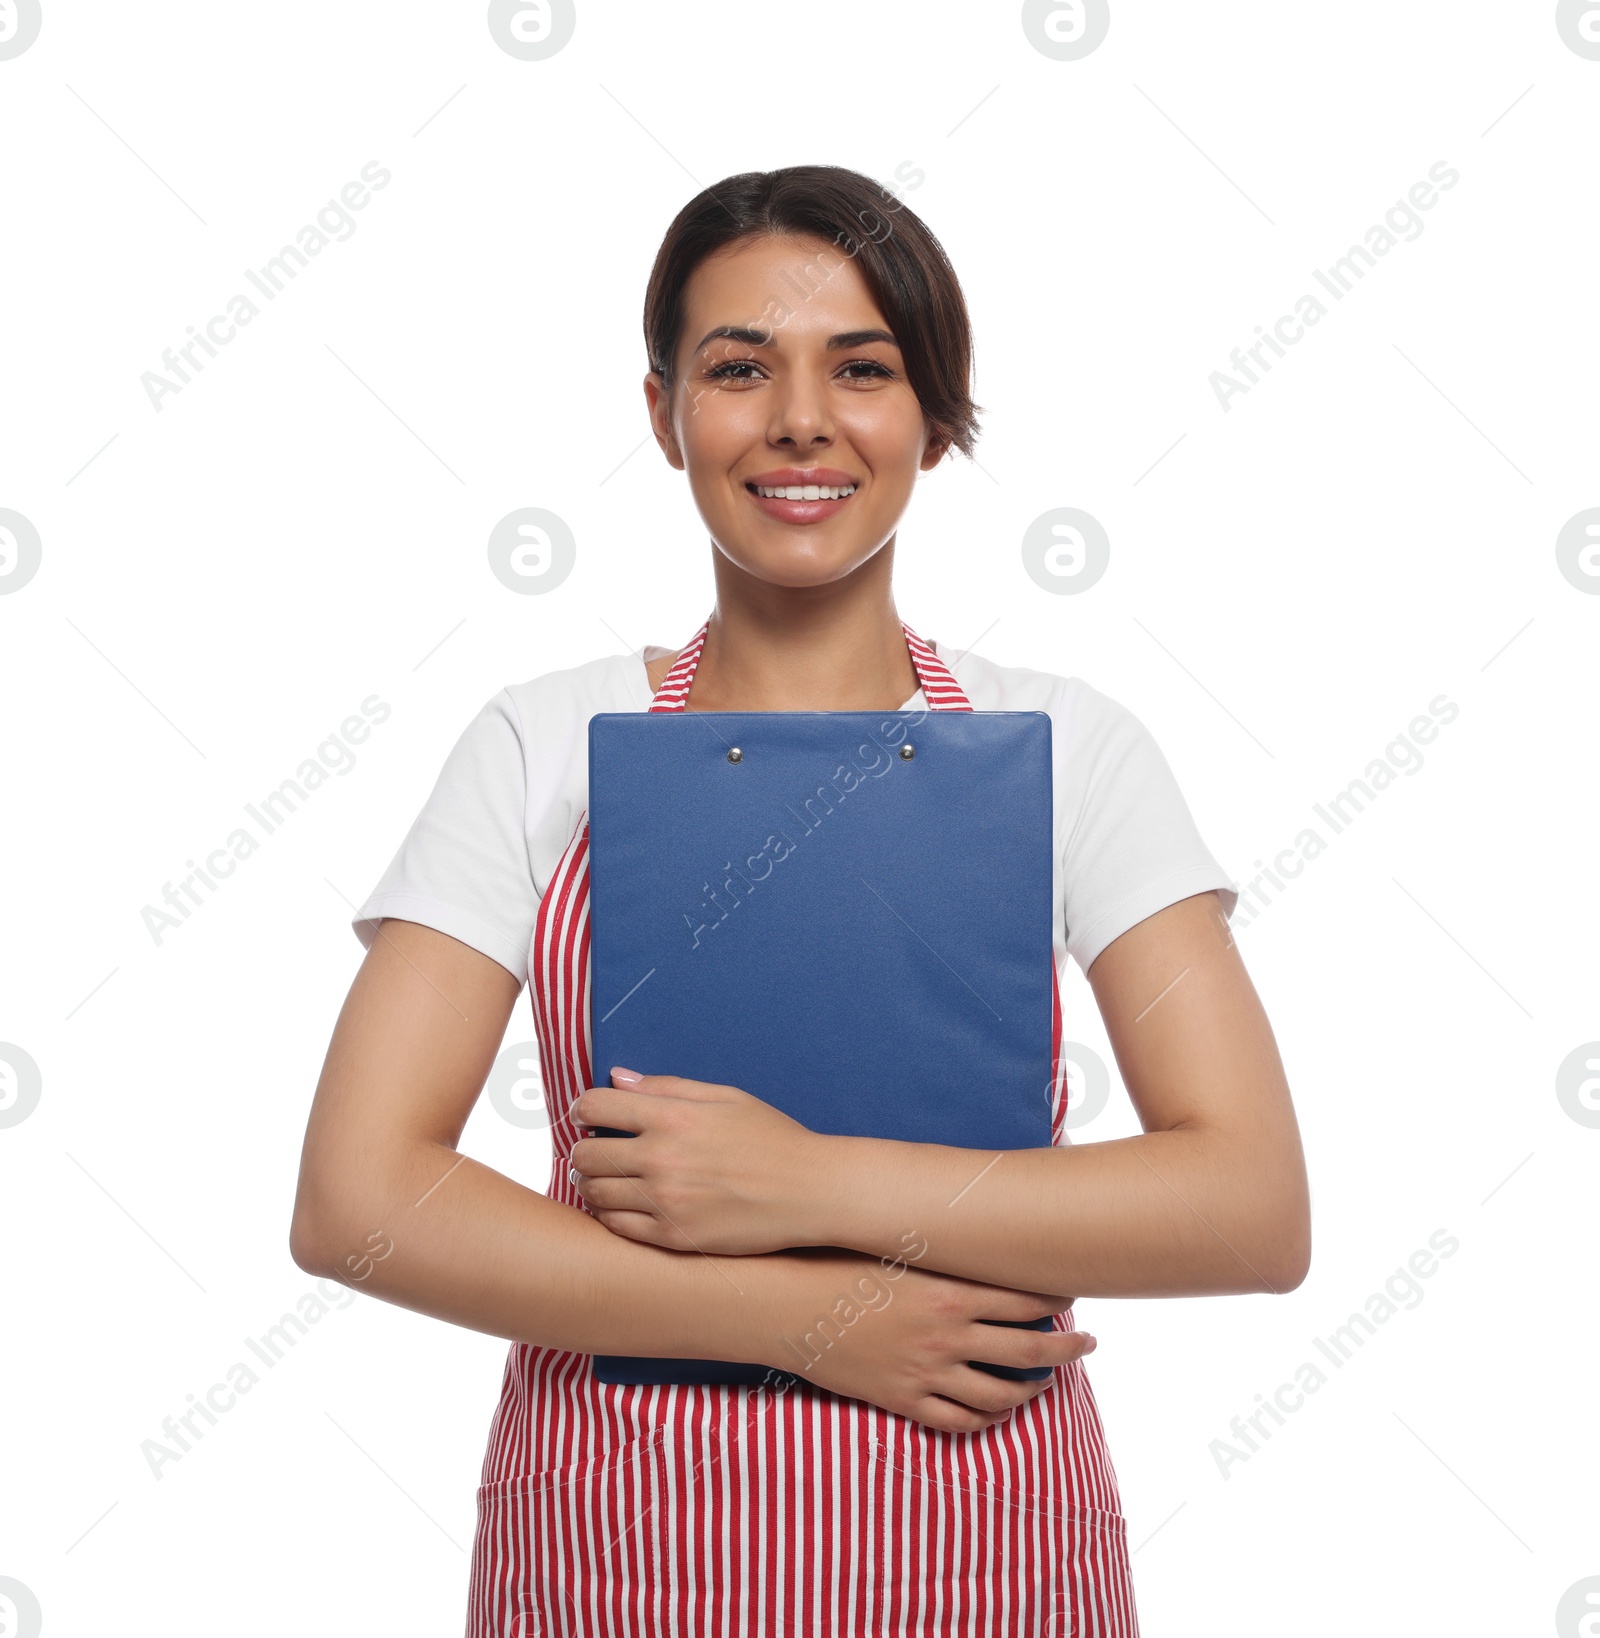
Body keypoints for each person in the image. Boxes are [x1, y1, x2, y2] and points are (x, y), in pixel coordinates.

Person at [290, 163, 1311, 1637]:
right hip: (617, 1558)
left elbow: (1250, 1207)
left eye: (864, 368)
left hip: (986, 1557)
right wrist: (810, 1322)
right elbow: (358, 1198)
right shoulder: (541, 746)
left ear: (935, 423)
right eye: (738, 368)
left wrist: (806, 1183)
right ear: (663, 415)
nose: (800, 421)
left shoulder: (1074, 750)